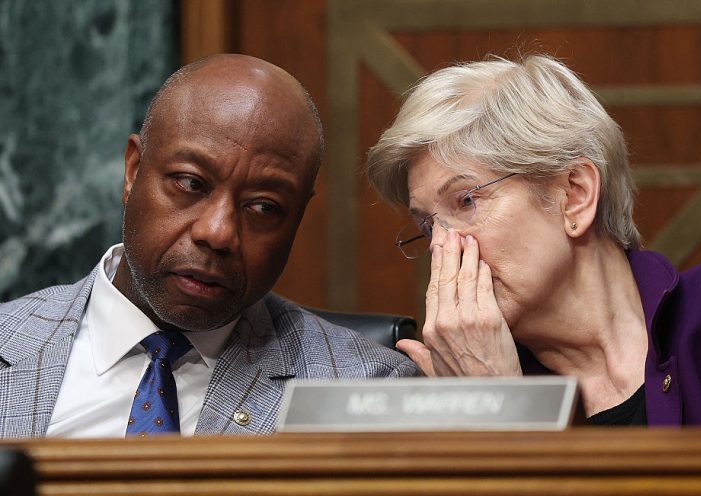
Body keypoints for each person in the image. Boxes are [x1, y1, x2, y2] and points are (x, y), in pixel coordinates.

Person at [0, 54, 418, 439]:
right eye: (190, 183)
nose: (218, 233)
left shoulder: (368, 389)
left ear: (297, 219)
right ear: (133, 171)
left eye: (263, 206)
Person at [367, 54, 701, 425]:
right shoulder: (457, 378)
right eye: (427, 226)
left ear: (575, 196)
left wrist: (506, 408)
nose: (443, 247)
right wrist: (482, 405)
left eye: (467, 199)